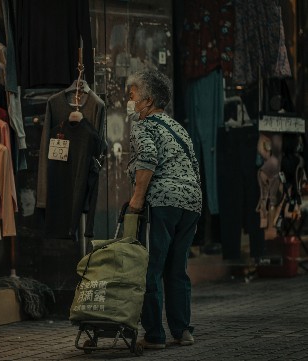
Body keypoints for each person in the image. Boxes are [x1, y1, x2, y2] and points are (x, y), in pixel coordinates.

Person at [126, 70, 202, 349]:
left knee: (152, 268)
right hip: (191, 203)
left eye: (132, 95)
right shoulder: (177, 127)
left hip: (163, 202)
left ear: (148, 99)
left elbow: (147, 159)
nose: (130, 101)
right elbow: (194, 165)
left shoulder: (144, 125)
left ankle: (155, 335)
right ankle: (183, 331)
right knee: (177, 268)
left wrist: (136, 199)